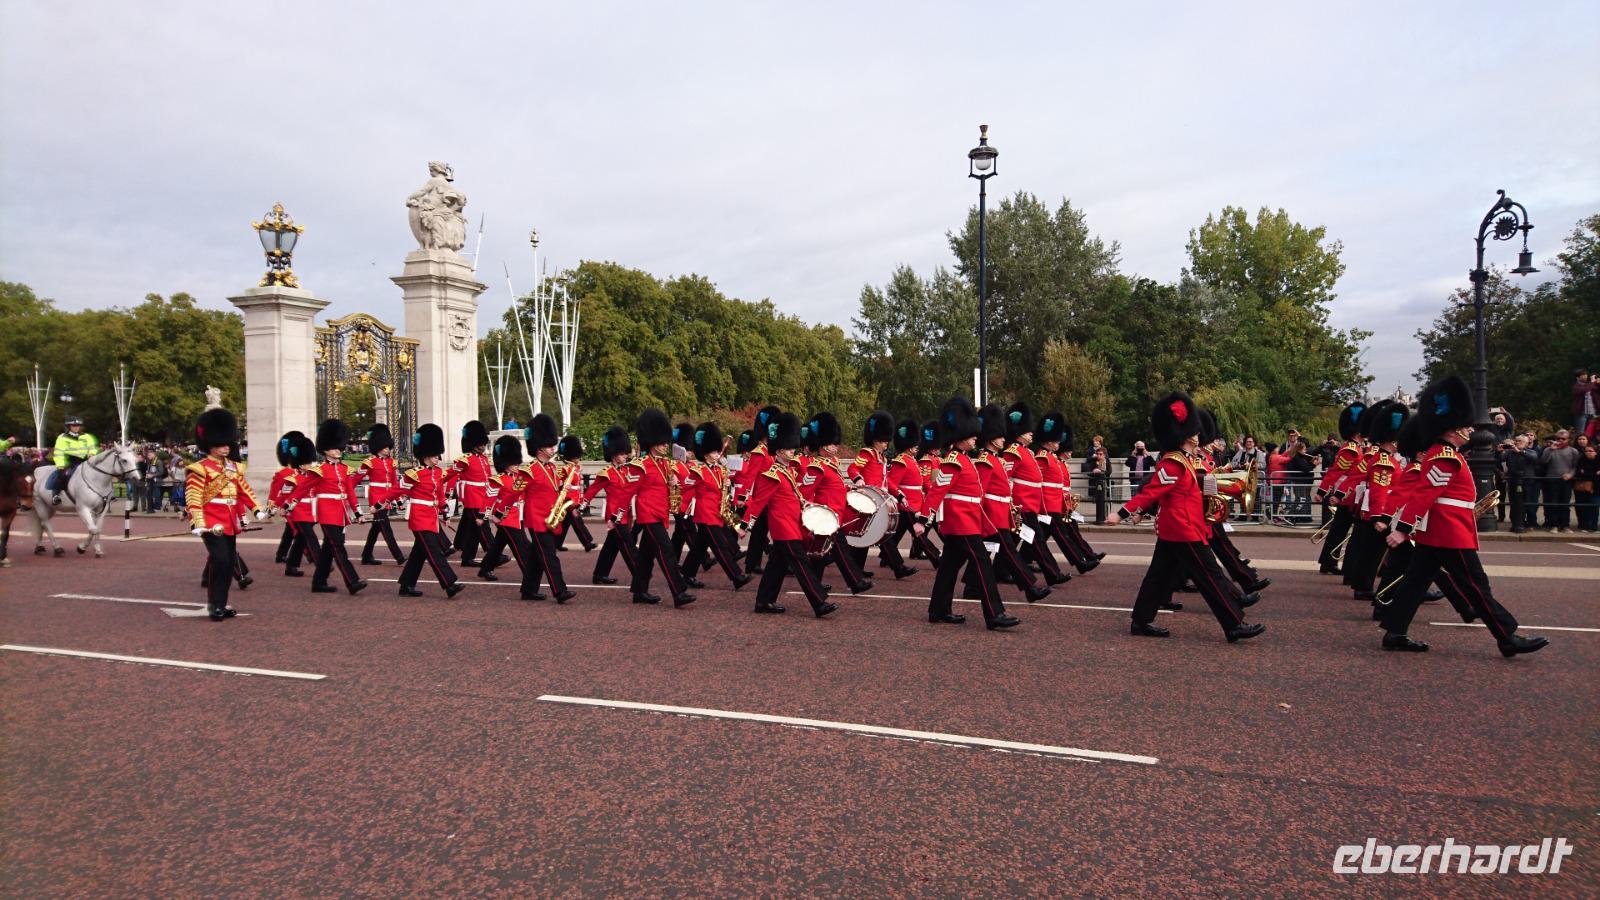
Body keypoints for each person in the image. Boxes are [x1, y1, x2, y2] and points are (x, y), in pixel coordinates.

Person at [1378, 374, 1548, 657]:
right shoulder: (1445, 455)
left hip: (1443, 530)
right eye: (1465, 427)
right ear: (1453, 429)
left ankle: (1395, 631)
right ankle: (1507, 636)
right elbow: (1425, 495)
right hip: (1448, 532)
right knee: (1475, 584)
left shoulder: (1446, 453)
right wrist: (1403, 528)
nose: (1470, 430)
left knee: (1415, 581)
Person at [1106, 392, 1263, 643]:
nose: (1198, 434)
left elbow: (1191, 489)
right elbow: (1151, 493)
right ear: (1184, 434)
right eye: (1194, 431)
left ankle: (1141, 621)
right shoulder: (1173, 464)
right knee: (1210, 576)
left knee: (1157, 577)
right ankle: (1234, 623)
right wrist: (1122, 513)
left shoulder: (1187, 461)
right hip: (1182, 529)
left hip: (1182, 528)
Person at [917, 396, 1020, 631]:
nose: (976, 436)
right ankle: (995, 613)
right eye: (972, 434)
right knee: (982, 562)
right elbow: (937, 491)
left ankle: (938, 610)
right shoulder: (953, 461)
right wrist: (923, 518)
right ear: (959, 436)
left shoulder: (964, 460)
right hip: (961, 522)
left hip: (967, 520)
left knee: (949, 566)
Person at [739, 412, 837, 618]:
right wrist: (744, 525)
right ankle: (819, 602)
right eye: (788, 448)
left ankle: (764, 601)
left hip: (792, 523)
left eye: (793, 447)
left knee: (776, 564)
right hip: (783, 526)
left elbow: (795, 495)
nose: (792, 451)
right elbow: (758, 502)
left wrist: (805, 503)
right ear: (779, 450)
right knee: (801, 563)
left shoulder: (788, 471)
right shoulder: (771, 474)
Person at [185, 408, 267, 621]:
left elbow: (244, 490)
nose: (225, 447)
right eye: (221, 444)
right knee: (220, 560)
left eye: (227, 444)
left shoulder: (233, 468)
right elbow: (194, 497)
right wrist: (197, 522)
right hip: (211, 522)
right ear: (210, 445)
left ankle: (220, 604)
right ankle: (214, 605)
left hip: (229, 521)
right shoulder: (199, 469)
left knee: (228, 563)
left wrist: (256, 508)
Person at [613, 408, 696, 608]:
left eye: (666, 442)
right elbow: (626, 492)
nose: (665, 445)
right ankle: (679, 591)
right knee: (666, 551)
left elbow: (687, 482)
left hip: (661, 513)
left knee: (646, 555)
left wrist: (675, 482)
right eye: (661, 442)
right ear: (651, 442)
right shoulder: (640, 465)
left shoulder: (666, 464)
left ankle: (639, 591)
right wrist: (617, 516)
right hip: (648, 513)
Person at [801, 412, 875, 596]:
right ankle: (855, 582)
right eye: (833, 443)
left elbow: (836, 487)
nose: (836, 446)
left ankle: (815, 586)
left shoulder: (832, 463)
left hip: (835, 515)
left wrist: (850, 489)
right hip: (825, 517)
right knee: (840, 550)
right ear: (823, 445)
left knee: (820, 555)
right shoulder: (816, 466)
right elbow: (804, 493)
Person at [1000, 401, 1070, 587]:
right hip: (1021, 505)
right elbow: (1004, 479)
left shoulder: (1026, 452)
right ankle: (1053, 573)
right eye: (1027, 429)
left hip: (1030, 504)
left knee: (1013, 541)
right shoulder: (1013, 452)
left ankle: (998, 570)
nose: (1031, 432)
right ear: (1018, 432)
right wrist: (1011, 504)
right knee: (1036, 539)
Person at [679, 422, 752, 589]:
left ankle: (687, 573)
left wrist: (733, 521)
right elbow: (684, 486)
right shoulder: (698, 471)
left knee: (699, 547)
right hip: (705, 514)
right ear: (705, 455)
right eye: (714, 451)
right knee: (720, 546)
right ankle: (737, 576)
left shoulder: (720, 471)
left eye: (717, 450)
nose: (717, 453)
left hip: (717, 513)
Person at [396, 424, 464, 599]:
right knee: (434, 551)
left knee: (419, 554)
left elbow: (440, 494)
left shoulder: (437, 473)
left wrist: (444, 513)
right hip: (419, 517)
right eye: (435, 455)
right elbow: (397, 490)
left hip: (431, 516)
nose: (438, 458)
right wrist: (380, 504)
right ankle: (449, 584)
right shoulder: (414, 474)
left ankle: (406, 585)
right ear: (426, 456)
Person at [515, 414, 577, 603]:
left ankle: (528, 590)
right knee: (549, 555)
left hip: (551, 516)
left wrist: (569, 501)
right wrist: (499, 512)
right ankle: (560, 590)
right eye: (550, 445)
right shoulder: (528, 470)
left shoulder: (553, 468)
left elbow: (560, 489)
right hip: (536, 518)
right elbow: (513, 492)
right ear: (539, 446)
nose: (553, 448)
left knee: (537, 556)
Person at [850, 410, 915, 578]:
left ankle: (856, 568)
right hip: (869, 499)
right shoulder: (867, 453)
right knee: (880, 534)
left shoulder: (882, 457)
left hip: (880, 500)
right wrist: (858, 479)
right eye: (884, 440)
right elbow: (853, 468)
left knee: (869, 534)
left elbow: (887, 481)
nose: (886, 443)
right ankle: (898, 567)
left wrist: (899, 494)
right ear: (876, 440)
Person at [1036, 412, 1102, 574]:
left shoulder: (1053, 459)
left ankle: (1023, 559)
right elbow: (1039, 483)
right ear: (1049, 441)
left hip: (1058, 502)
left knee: (1039, 538)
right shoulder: (1043, 457)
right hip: (1048, 504)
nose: (1059, 444)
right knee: (1061, 534)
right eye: (1056, 441)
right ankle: (1080, 562)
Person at [306, 419, 366, 595]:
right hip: (326, 511)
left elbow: (350, 492)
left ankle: (319, 582)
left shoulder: (344, 469)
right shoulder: (319, 470)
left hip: (340, 512)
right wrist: (287, 504)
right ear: (325, 450)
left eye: (339, 447)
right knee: (338, 546)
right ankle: (352, 581)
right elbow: (302, 488)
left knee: (328, 548)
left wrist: (357, 512)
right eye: (334, 448)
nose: (338, 450)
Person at [1314, 401, 1369, 575]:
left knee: (1340, 529)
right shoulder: (1351, 449)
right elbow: (1336, 472)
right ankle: (1331, 563)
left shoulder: (1357, 448)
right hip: (1348, 495)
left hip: (1351, 494)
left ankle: (1328, 562)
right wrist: (1323, 492)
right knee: (1341, 531)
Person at [581, 426, 639, 585]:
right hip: (615, 515)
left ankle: (600, 574)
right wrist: (582, 505)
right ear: (614, 455)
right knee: (628, 545)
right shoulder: (606, 473)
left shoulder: (627, 471)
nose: (625, 456)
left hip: (626, 513)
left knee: (611, 546)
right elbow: (592, 490)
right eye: (622, 454)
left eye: (625, 453)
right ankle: (640, 574)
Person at [738, 406, 781, 573]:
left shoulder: (770, 452)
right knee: (759, 532)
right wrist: (743, 496)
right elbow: (750, 476)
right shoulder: (758, 452)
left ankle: (752, 563)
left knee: (761, 532)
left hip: (772, 496)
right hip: (762, 496)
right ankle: (752, 564)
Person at [358, 424, 407, 566]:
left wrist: (398, 500)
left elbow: (394, 484)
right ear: (378, 447)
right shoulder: (370, 463)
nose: (387, 449)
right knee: (385, 527)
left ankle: (366, 555)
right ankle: (398, 556)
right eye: (385, 447)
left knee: (376, 527)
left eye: (388, 447)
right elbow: (355, 480)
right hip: (376, 497)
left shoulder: (391, 462)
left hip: (387, 496)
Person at [450, 420, 496, 567]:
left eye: (483, 444)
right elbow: (449, 476)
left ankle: (467, 557)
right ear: (473, 444)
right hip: (472, 497)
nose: (483, 447)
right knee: (484, 526)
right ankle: (494, 553)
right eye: (480, 444)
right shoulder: (465, 460)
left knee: (475, 529)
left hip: (483, 496)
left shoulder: (484, 459)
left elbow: (488, 479)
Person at [280, 433, 322, 577]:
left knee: (300, 539)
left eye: (310, 463)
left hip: (311, 510)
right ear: (299, 463)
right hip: (297, 511)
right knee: (310, 537)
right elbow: (284, 496)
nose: (308, 465)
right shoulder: (292, 479)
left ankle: (291, 566)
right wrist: (283, 508)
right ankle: (322, 564)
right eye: (305, 463)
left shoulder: (313, 477)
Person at [556, 435, 597, 552]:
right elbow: (557, 483)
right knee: (577, 520)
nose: (578, 458)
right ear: (570, 455)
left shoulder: (576, 467)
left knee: (565, 522)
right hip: (568, 500)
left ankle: (556, 543)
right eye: (576, 456)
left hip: (575, 498)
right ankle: (587, 543)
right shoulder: (564, 469)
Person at [47, 415, 99, 504]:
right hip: (70, 462)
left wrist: (92, 454)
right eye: (73, 426)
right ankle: (56, 495)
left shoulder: (87, 437)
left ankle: (105, 494)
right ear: (69, 427)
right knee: (62, 475)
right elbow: (59, 452)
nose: (76, 428)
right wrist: (60, 465)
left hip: (85, 461)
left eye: (78, 426)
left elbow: (92, 448)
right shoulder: (62, 437)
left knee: (99, 473)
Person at [268, 432, 301, 564]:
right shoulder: (283, 474)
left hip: (300, 506)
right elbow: (274, 492)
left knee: (290, 531)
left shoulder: (299, 472)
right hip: (288, 507)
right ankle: (311, 555)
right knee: (298, 532)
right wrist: (272, 507)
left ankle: (281, 554)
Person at [1540, 429, 1580, 533]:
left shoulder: (1573, 451)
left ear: (1568, 439)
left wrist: (1570, 474)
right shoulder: (1548, 449)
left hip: (1566, 480)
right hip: (1552, 479)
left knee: (1565, 504)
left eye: (1563, 439)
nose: (1560, 440)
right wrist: (1551, 450)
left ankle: (1565, 525)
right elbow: (1543, 461)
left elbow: (1575, 466)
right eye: (1558, 438)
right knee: (1553, 503)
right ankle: (1554, 525)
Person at [1080, 444, 1110, 524]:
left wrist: (1102, 472)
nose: (1099, 456)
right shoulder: (1093, 462)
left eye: (1101, 454)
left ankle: (1103, 516)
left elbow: (1109, 472)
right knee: (1096, 501)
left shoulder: (1107, 462)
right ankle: (1098, 517)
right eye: (1098, 454)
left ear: (1104, 455)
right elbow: (1089, 472)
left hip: (1103, 483)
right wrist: (1094, 471)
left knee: (1103, 501)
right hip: (1094, 483)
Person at [1574, 442, 1599, 532]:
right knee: (1582, 507)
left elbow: (1595, 476)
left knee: (1594, 507)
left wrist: (1587, 473)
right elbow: (1580, 473)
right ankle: (1584, 525)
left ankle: (1593, 526)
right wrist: (1593, 474)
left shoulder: (1598, 461)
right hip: (1582, 488)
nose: (1588, 453)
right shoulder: (1582, 460)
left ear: (1596, 452)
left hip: (1596, 489)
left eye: (1590, 451)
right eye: (1586, 451)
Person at [1573, 370, 1595, 437]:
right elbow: (1584, 390)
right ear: (1578, 378)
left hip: (1592, 413)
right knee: (1580, 433)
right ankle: (1578, 447)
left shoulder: (1589, 385)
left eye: (1586, 375)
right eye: (1583, 375)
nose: (1585, 376)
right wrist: (1592, 382)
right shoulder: (1576, 386)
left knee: (1592, 433)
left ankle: (1591, 447)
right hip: (1582, 413)